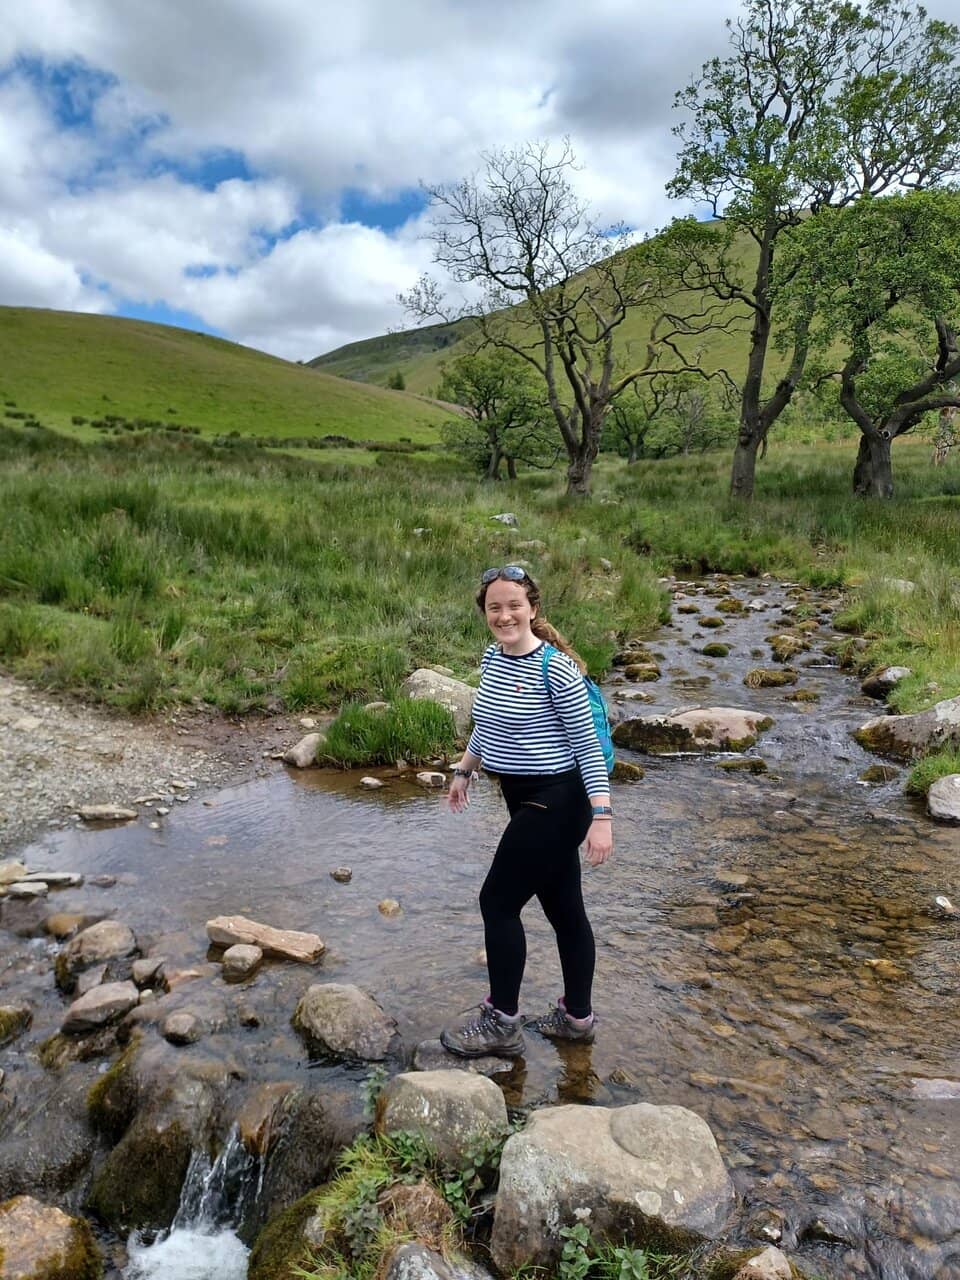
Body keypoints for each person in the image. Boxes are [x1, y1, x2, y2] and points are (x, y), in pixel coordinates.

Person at [440, 565, 613, 1059]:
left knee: (497, 902)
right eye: (495, 606)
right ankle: (576, 1020)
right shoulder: (494, 659)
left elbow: (588, 750)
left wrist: (602, 818)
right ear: (486, 614)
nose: (504, 614)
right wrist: (465, 770)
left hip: (559, 799)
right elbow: (489, 724)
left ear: (533, 609)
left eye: (514, 604)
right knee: (565, 911)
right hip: (523, 797)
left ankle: (503, 1020)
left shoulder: (555, 668)